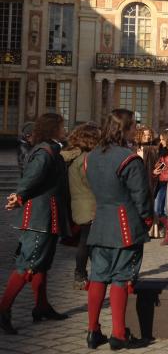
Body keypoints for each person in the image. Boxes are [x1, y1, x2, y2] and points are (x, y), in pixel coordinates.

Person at [84, 109, 153, 350]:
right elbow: (141, 196)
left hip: (100, 222)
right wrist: (146, 219)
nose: (136, 130)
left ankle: (92, 331)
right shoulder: (129, 158)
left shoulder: (90, 157)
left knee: (98, 277)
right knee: (121, 278)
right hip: (125, 225)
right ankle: (119, 334)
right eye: (133, 126)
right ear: (123, 129)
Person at [1, 113, 70, 334]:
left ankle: (41, 306)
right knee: (27, 264)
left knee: (41, 263)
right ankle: (3, 309)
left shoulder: (51, 149)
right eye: (62, 126)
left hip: (48, 215)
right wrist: (19, 196)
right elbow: (31, 177)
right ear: (53, 128)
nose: (65, 129)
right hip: (39, 217)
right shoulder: (44, 152)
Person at [62, 122, 102, 291]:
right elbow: (92, 182)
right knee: (87, 242)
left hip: (78, 204)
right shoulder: (86, 158)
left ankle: (83, 273)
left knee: (85, 241)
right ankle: (82, 274)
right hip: (89, 205)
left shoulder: (72, 155)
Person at [153, 129, 168, 246]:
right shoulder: (163, 152)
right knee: (157, 209)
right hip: (162, 183)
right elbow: (163, 164)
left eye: (163, 139)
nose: (161, 141)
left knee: (166, 210)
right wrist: (156, 170)